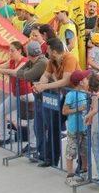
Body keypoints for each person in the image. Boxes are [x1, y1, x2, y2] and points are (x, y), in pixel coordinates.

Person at [33, 38, 80, 167]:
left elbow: (65, 81)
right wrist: (40, 84)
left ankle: (82, 165)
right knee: (54, 124)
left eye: (47, 49)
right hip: (67, 96)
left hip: (78, 96)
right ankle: (52, 158)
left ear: (53, 51)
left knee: (79, 131)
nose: (45, 51)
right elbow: (45, 75)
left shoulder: (70, 58)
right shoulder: (51, 61)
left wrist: (45, 87)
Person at [0, 41, 35, 151]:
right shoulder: (12, 61)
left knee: (30, 120)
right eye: (9, 50)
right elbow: (1, 66)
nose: (10, 53)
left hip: (26, 94)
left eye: (12, 50)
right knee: (0, 111)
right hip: (16, 94)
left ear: (19, 51)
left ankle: (33, 144)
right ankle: (4, 136)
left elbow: (15, 72)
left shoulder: (25, 62)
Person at [62, 70, 91, 186]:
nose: (87, 80)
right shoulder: (71, 95)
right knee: (71, 152)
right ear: (80, 82)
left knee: (84, 151)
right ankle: (69, 176)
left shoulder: (85, 93)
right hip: (74, 129)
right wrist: (79, 109)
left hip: (84, 128)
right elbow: (64, 111)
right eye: (85, 79)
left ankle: (84, 172)